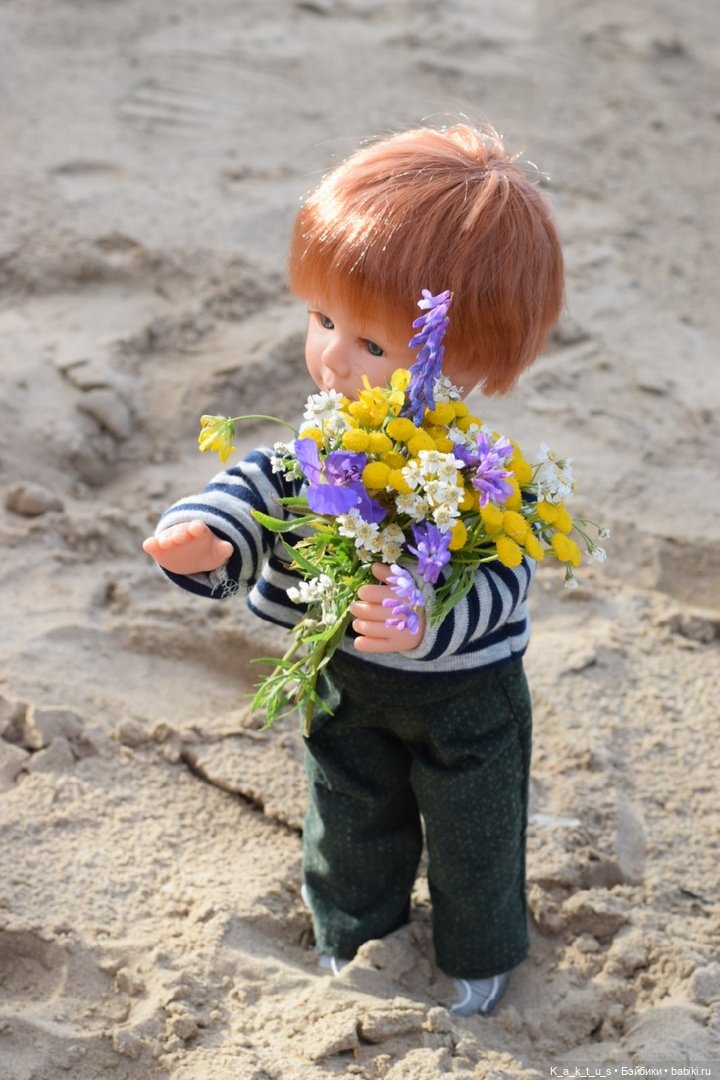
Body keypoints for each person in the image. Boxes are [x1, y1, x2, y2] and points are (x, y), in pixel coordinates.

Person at [143, 122, 564, 1016]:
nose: (333, 357)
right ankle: (353, 935)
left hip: (468, 698)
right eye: (324, 320)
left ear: (472, 360)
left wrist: (425, 620)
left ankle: (477, 955)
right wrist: (209, 537)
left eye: (372, 344)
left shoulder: (479, 468)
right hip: (346, 681)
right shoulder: (330, 443)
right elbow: (262, 485)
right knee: (349, 818)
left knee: (477, 835)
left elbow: (503, 579)